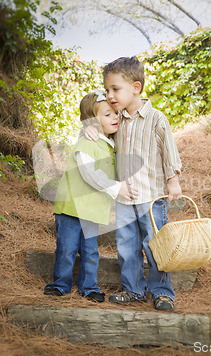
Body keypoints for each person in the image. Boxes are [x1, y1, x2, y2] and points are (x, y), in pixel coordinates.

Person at [85, 57, 182, 311]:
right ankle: (134, 289)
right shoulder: (116, 120)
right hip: (125, 198)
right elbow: (99, 131)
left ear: (136, 88)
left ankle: (162, 292)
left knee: (156, 246)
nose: (110, 95)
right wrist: (89, 130)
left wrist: (173, 179)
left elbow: (169, 151)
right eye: (107, 90)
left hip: (151, 197)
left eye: (115, 89)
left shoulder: (156, 119)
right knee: (127, 247)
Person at [44, 89, 138, 302]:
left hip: (92, 209)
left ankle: (89, 287)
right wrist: (117, 188)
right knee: (67, 248)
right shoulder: (87, 142)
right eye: (107, 114)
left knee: (90, 251)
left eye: (116, 113)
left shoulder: (111, 144)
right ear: (92, 123)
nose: (115, 117)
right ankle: (60, 284)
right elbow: (90, 174)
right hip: (72, 206)